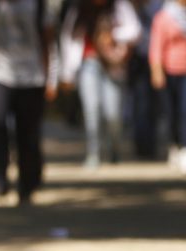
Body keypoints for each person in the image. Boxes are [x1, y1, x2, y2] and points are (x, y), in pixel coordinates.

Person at [0, 0, 59, 205]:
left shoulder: (39, 6)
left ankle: (28, 184)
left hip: (31, 76)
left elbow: (49, 42)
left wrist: (52, 78)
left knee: (28, 134)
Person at [58, 0, 141, 169]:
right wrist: (66, 73)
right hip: (88, 63)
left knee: (113, 113)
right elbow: (68, 37)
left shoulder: (119, 6)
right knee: (91, 108)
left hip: (112, 64)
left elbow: (135, 30)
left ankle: (114, 149)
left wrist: (112, 35)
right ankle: (93, 153)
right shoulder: (78, 8)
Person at [150, 0, 186, 173]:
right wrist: (157, 70)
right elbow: (156, 47)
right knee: (171, 113)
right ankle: (174, 144)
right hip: (169, 71)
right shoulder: (163, 17)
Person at [128, 0, 165, 160]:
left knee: (153, 104)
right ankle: (141, 145)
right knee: (140, 103)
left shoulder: (158, 5)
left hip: (157, 60)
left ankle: (150, 144)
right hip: (137, 60)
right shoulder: (130, 6)